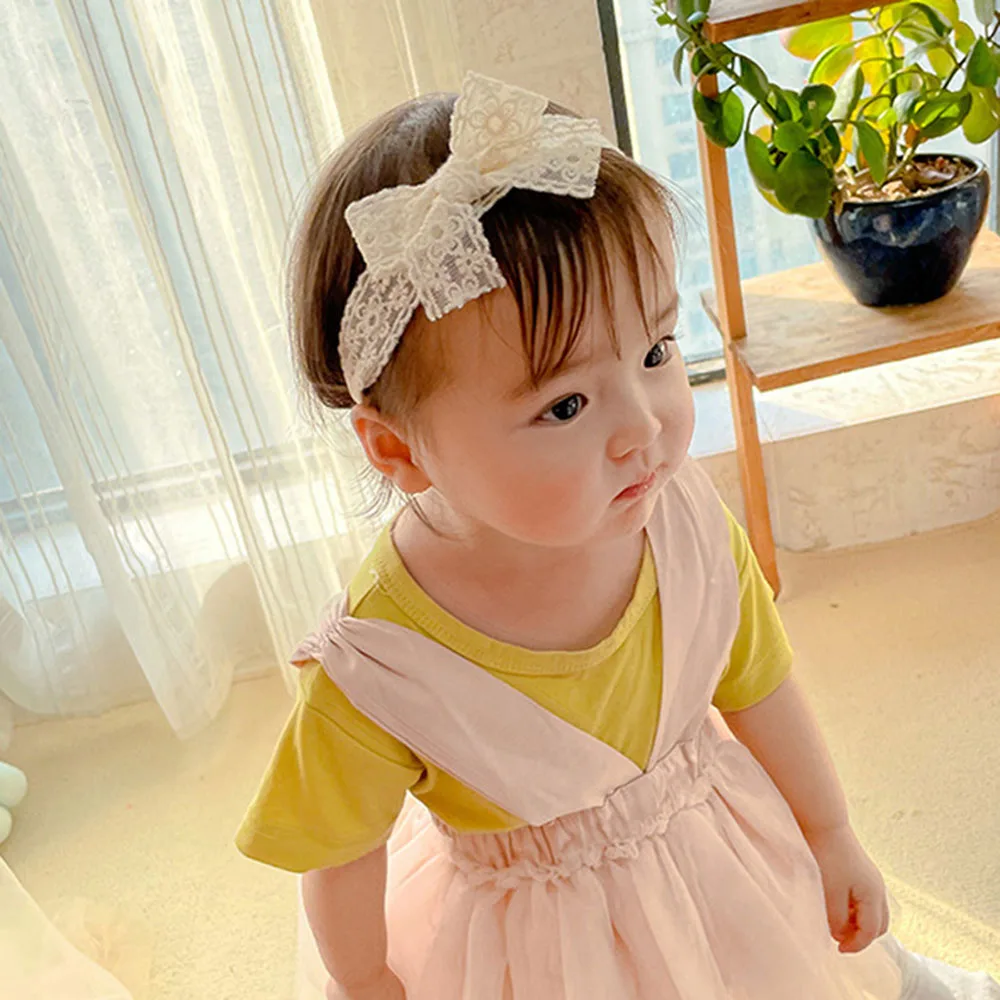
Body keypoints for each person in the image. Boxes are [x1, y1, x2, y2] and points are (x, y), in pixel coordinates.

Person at [236, 71, 999, 1000]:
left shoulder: (676, 517)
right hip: (542, 953)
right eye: (564, 405)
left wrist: (829, 832)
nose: (643, 427)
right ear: (398, 449)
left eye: (655, 351)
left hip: (723, 872)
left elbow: (759, 683)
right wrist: (366, 984)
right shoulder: (381, 664)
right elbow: (341, 854)